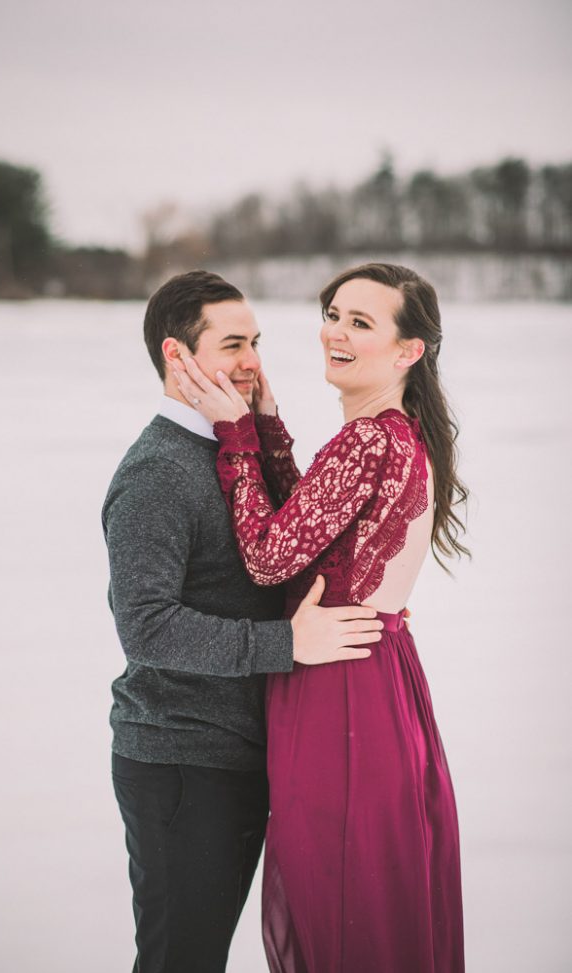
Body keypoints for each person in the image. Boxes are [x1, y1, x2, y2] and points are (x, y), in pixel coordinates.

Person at [173, 262, 468, 972]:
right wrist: (269, 430)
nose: (335, 332)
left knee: (342, 898)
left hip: (341, 693)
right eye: (333, 313)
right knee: (366, 895)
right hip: (376, 676)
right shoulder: (396, 433)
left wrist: (236, 436)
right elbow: (316, 524)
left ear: (408, 351)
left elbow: (273, 557)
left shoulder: (367, 440)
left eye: (360, 322)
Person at [102, 270, 383, 973]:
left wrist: (263, 427)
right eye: (232, 343)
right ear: (177, 355)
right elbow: (148, 628)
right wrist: (289, 643)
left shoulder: (233, 451)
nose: (252, 359)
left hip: (240, 753)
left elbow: (290, 546)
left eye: (255, 340)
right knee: (181, 959)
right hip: (180, 761)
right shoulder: (157, 473)